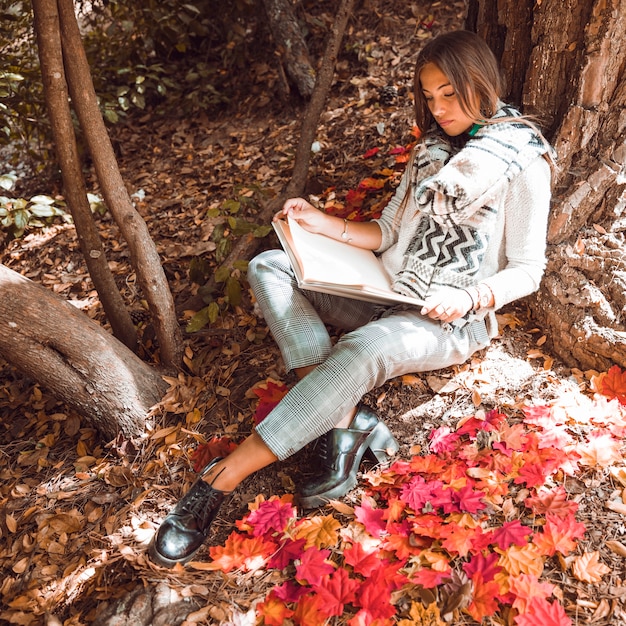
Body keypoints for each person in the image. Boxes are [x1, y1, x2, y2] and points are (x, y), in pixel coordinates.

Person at [149, 29, 555, 568]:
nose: (438, 108)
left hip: (452, 317)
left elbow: (529, 269)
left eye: (449, 94)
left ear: (479, 82)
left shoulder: (521, 159)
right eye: (429, 96)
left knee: (364, 347)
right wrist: (324, 224)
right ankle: (342, 420)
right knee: (270, 265)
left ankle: (221, 478)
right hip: (388, 288)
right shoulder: (431, 149)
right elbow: (388, 231)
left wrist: (473, 297)